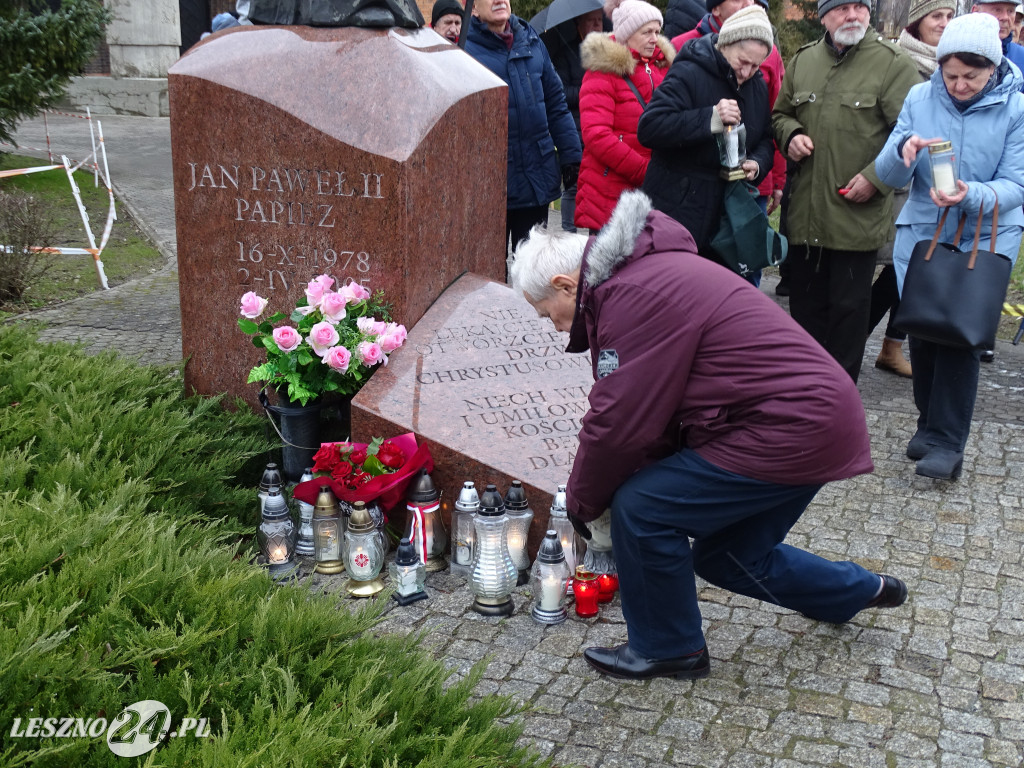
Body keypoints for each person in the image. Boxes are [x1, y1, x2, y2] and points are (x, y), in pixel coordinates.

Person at [509, 190, 908, 681]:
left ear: (566, 285)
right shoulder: (644, 275)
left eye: (548, 313)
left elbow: (618, 421)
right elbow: (657, 410)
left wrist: (582, 501)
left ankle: (668, 647)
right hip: (815, 419)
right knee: (728, 557)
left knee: (644, 507)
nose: (554, 327)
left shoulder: (631, 294)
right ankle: (857, 590)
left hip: (789, 425)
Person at [874, 13, 1024, 480]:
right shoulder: (920, 96)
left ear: (993, 68)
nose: (958, 85)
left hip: (986, 235)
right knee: (922, 329)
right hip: (924, 231)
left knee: (960, 337)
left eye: (971, 77)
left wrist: (971, 193)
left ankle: (947, 442)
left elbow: (1017, 185)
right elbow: (888, 174)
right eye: (950, 74)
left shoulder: (1016, 109)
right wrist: (903, 154)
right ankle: (927, 423)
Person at [772, 0, 920, 383]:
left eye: (860, 6)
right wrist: (791, 135)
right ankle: (805, 398)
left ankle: (838, 408)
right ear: (823, 15)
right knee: (804, 318)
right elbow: (780, 114)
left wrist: (877, 177)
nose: (853, 15)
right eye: (842, 7)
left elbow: (912, 134)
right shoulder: (803, 61)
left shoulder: (892, 63)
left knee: (847, 319)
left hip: (856, 217)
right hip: (806, 215)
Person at [637, 4, 775, 262]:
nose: (747, 73)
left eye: (756, 66)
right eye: (743, 62)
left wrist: (756, 164)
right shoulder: (689, 71)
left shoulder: (756, 86)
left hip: (724, 219)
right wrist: (709, 118)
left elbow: (766, 139)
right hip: (676, 211)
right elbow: (650, 127)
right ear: (726, 44)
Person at [871, 0, 955, 379]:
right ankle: (854, 342)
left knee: (911, 268)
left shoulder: (953, 63)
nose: (944, 23)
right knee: (894, 268)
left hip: (938, 181)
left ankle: (891, 345)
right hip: (897, 180)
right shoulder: (896, 58)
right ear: (918, 20)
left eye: (950, 16)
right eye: (937, 15)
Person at [464, 0, 583, 266]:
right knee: (487, 271)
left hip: (534, 179)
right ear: (472, 8)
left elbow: (556, 104)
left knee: (532, 268)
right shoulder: (463, 50)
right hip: (488, 184)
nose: (499, 0)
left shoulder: (531, 40)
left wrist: (571, 156)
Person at [574, 0, 674, 231]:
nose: (654, 38)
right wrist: (644, 171)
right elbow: (597, 136)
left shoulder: (663, 68)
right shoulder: (603, 70)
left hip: (653, 192)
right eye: (646, 32)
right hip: (610, 194)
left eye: (657, 31)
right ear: (627, 34)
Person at [545, 9, 607, 232]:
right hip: (574, 128)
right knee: (574, 186)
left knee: (600, 185)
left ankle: (596, 239)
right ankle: (569, 237)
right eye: (591, 21)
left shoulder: (609, 51)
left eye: (599, 20)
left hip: (602, 128)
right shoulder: (564, 53)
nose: (597, 25)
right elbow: (559, 91)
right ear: (579, 24)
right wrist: (589, 90)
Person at [973, 0, 1024, 76]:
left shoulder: (1021, 56)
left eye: (1010, 11)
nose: (1005, 17)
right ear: (976, 11)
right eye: (997, 10)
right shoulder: (956, 53)